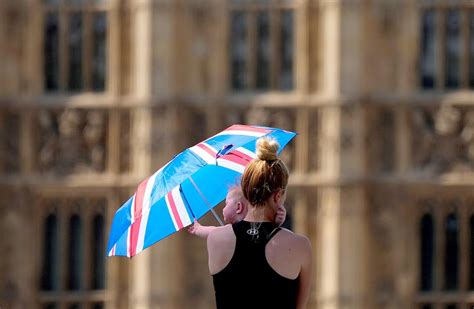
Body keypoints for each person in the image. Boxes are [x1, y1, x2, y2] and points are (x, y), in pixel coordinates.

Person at [207, 137, 312, 309]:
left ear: (246, 192)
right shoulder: (300, 245)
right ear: (278, 196)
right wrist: (277, 228)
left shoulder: (215, 239)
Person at [188, 185, 287, 239]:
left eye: (226, 204)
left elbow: (212, 232)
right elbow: (268, 230)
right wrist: (276, 221)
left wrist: (198, 229)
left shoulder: (231, 230)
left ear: (238, 207)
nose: (223, 208)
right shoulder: (255, 226)